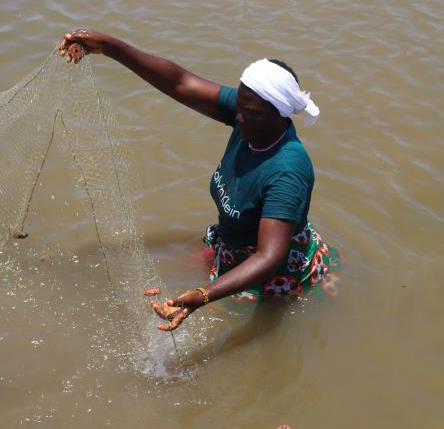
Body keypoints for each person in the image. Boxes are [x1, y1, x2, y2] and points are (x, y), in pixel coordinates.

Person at [59, 29, 342, 331]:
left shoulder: (288, 170)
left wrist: (204, 295)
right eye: (239, 106)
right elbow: (180, 83)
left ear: (279, 114)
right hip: (233, 244)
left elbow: (268, 257)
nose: (239, 116)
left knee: (250, 332)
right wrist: (108, 47)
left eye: (249, 112)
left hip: (271, 270)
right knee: (179, 274)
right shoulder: (249, 116)